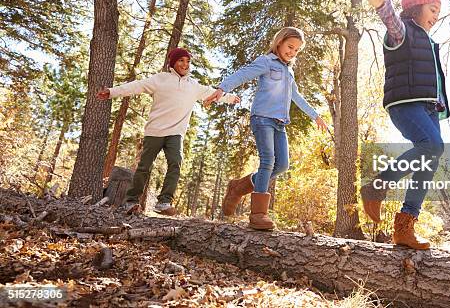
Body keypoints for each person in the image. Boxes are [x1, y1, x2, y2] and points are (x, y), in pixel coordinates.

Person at [205, 27, 328, 230]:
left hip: (280, 123)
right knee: (268, 161)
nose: (292, 52)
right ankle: (258, 214)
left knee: (282, 166)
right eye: (290, 47)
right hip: (262, 118)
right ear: (279, 42)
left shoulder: (289, 71)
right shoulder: (266, 62)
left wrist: (315, 116)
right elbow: (243, 74)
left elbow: (296, 96)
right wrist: (222, 89)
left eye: (297, 50)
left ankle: (238, 187)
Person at [96, 47, 239, 215]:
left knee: (176, 162)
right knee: (144, 167)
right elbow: (137, 86)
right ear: (173, 63)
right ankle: (131, 201)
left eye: (188, 61)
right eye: (181, 61)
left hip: (176, 133)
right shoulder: (160, 79)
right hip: (155, 131)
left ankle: (164, 202)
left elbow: (212, 93)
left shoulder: (193, 85)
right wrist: (112, 92)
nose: (185, 64)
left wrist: (230, 98)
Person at [362, 0, 450, 249]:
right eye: (432, 9)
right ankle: (378, 185)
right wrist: (382, 5)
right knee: (433, 146)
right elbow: (391, 22)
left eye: (438, 12)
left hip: (428, 107)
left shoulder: (429, 40)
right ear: (415, 8)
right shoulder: (404, 32)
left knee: (430, 160)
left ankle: (404, 228)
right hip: (405, 104)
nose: (436, 16)